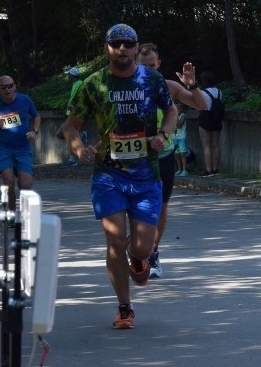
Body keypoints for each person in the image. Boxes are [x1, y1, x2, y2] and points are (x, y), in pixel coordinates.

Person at [60, 24, 179, 329]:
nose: (122, 49)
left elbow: (172, 111)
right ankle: (124, 307)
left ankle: (139, 259)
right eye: (116, 44)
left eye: (128, 44)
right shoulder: (93, 84)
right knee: (114, 242)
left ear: (135, 48)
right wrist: (78, 147)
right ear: (107, 48)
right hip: (108, 176)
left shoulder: (151, 79)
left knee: (141, 246)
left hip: (146, 175)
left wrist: (164, 135)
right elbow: (70, 126)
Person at [135, 42, 209, 280]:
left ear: (159, 64)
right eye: (143, 66)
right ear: (135, 64)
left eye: (152, 65)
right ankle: (138, 249)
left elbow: (202, 105)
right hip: (134, 157)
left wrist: (192, 86)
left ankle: (152, 252)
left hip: (163, 156)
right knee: (134, 208)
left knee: (160, 206)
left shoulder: (168, 86)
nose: (148, 70)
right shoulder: (124, 88)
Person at [0, 75, 40, 211]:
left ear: (14, 86)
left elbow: (36, 116)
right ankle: (12, 214)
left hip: (23, 149)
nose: (7, 89)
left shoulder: (25, 100)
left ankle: (25, 212)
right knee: (8, 182)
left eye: (10, 86)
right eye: (3, 87)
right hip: (4, 149)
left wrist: (34, 131)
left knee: (26, 185)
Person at [197, 71, 223, 177]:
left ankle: (208, 170)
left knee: (206, 145)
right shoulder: (219, 91)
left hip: (205, 118)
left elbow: (200, 107)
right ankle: (216, 169)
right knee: (216, 144)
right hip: (217, 118)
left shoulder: (202, 93)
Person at [61, 67, 85, 167]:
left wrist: (69, 107)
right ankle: (81, 137)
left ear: (72, 76)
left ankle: (73, 159)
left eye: (68, 75)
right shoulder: (77, 83)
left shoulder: (78, 83)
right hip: (73, 113)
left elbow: (75, 99)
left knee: (69, 135)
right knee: (65, 134)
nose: (67, 77)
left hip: (74, 114)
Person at [174, 109, 188, 177]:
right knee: (177, 155)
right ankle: (179, 170)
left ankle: (184, 171)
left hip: (181, 138)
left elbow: (179, 125)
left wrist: (175, 115)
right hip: (174, 138)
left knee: (182, 154)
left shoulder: (183, 115)